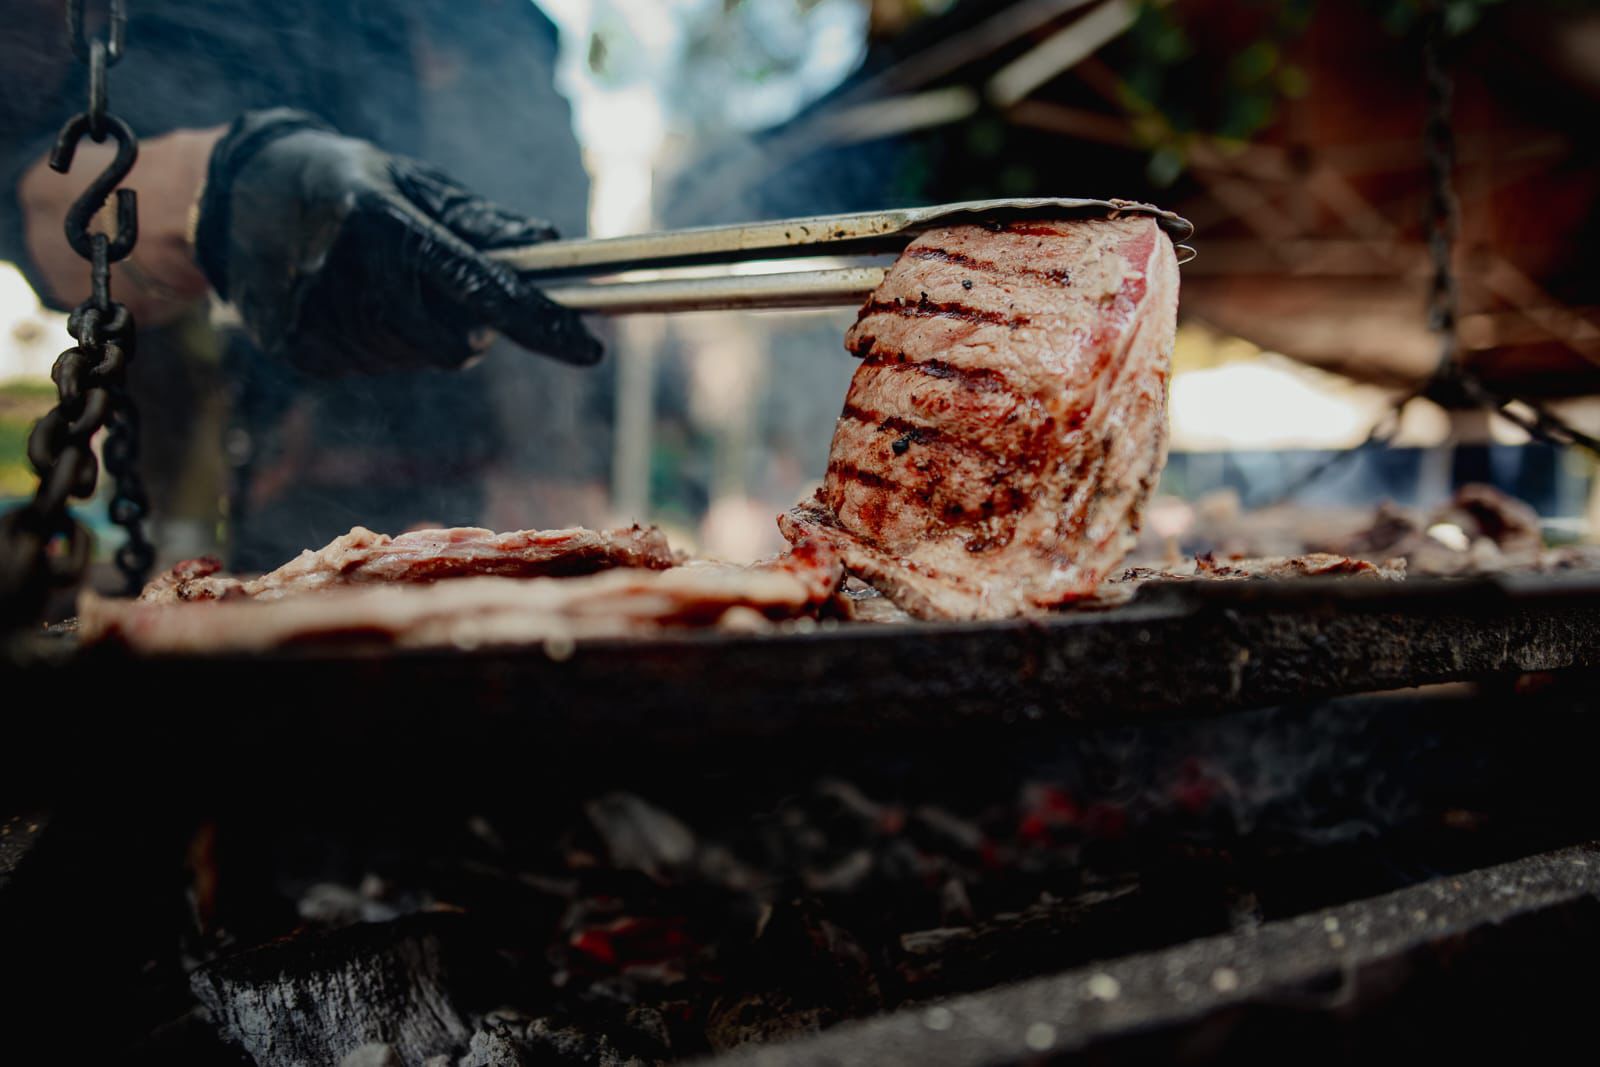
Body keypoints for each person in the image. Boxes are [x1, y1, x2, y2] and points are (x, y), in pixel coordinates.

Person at [1, 0, 609, 571]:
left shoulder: (510, 30)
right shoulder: (211, 20)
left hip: (519, 496)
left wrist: (551, 457)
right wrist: (222, 183)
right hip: (299, 499)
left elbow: (558, 265)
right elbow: (49, 217)